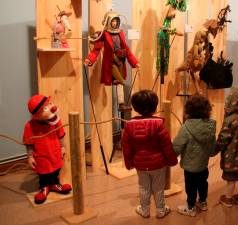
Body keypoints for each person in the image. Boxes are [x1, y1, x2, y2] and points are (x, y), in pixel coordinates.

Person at [121, 90, 177, 219]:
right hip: (158, 164)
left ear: (135, 107)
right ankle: (161, 210)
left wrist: (128, 163)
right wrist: (172, 160)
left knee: (143, 187)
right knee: (158, 188)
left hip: (140, 164)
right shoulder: (159, 125)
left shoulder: (129, 126)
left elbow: (126, 148)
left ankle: (145, 210)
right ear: (155, 106)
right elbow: (167, 145)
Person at [84, 10, 139, 109]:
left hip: (120, 61)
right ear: (108, 21)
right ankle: (122, 102)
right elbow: (96, 49)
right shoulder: (104, 34)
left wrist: (135, 62)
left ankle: (121, 104)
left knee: (119, 84)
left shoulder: (120, 33)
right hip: (111, 63)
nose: (114, 23)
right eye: (112, 21)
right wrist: (89, 59)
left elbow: (126, 48)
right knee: (121, 81)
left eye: (116, 21)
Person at [173, 94, 217, 217]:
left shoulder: (186, 127)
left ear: (188, 110)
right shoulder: (210, 128)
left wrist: (171, 156)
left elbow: (177, 145)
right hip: (203, 164)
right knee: (203, 183)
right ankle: (203, 202)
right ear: (207, 110)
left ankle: (190, 207)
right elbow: (212, 148)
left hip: (190, 166)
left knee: (190, 187)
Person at [23, 95, 72, 204]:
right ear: (36, 116)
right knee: (44, 173)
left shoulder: (55, 120)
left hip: (55, 152)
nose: (52, 107)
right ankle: (44, 187)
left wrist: (62, 147)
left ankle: (55, 184)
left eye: (50, 103)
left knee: (56, 169)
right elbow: (29, 143)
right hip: (41, 155)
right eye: (45, 108)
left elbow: (61, 134)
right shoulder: (30, 126)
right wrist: (30, 156)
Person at [216, 87, 238, 207]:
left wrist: (216, 147)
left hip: (231, 156)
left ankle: (228, 198)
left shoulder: (230, 119)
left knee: (231, 179)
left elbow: (224, 137)